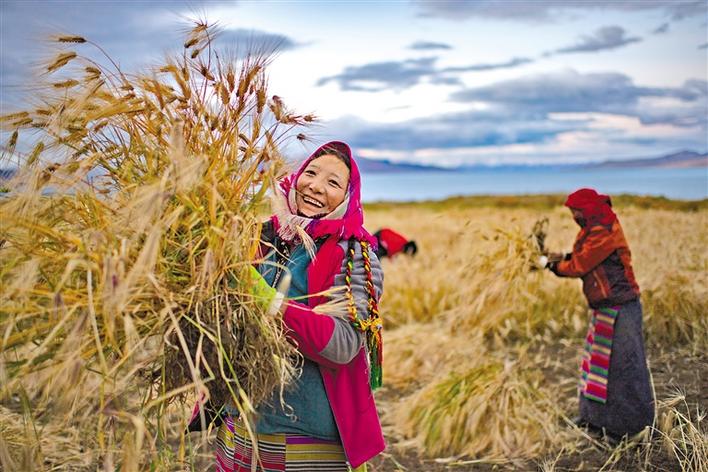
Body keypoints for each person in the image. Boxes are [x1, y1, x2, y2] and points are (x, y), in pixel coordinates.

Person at [215, 141, 385, 472]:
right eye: (311, 173)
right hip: (238, 424)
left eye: (333, 182)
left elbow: (343, 344)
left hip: (302, 436)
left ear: (348, 198)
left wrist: (266, 301)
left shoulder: (355, 256)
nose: (316, 186)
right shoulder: (260, 236)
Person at [539, 188, 654, 441]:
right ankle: (594, 419)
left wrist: (549, 265)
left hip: (621, 308)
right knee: (598, 365)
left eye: (576, 211)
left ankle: (632, 428)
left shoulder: (604, 231)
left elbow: (580, 265)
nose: (574, 216)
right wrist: (558, 258)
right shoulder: (592, 228)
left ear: (587, 210)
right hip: (605, 307)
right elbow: (582, 256)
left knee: (624, 367)